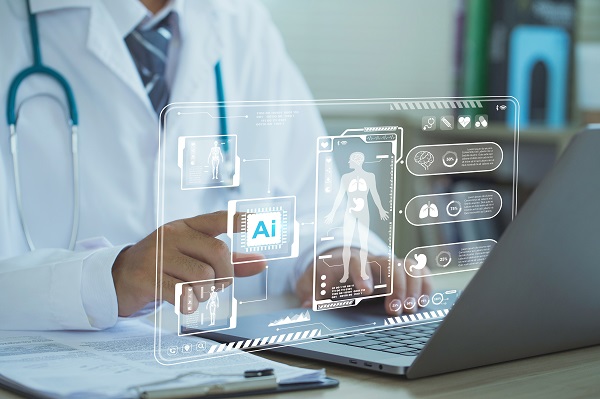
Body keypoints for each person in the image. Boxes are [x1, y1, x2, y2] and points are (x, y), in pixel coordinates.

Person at [0, 0, 430, 331]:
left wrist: (332, 257)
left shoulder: (240, 21)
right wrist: (108, 278)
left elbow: (312, 211)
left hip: (229, 366)